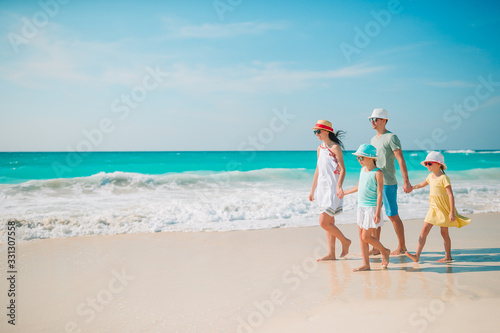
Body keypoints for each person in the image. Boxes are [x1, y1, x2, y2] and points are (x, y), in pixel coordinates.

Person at [406, 152, 471, 263]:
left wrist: (452, 212)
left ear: (439, 164)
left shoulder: (444, 178)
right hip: (433, 208)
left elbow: (450, 194)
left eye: (429, 163)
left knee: (444, 233)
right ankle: (417, 255)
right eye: (426, 164)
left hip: (443, 209)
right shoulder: (430, 176)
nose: (427, 166)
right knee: (424, 231)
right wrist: (412, 187)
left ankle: (448, 256)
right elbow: (421, 184)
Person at [369, 108, 412, 256]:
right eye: (371, 119)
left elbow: (400, 159)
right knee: (375, 214)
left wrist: (406, 181)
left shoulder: (392, 137)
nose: (372, 122)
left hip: (388, 183)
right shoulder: (373, 140)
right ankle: (375, 247)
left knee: (392, 215)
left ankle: (402, 247)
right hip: (375, 182)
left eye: (375, 119)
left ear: (384, 120)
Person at [309, 120, 351, 261]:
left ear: (327, 131)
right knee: (329, 222)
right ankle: (332, 254)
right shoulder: (319, 148)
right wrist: (312, 190)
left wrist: (339, 186)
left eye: (318, 131)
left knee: (323, 222)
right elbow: (317, 170)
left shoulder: (335, 147)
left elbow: (343, 169)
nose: (316, 134)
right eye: (315, 132)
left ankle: (345, 241)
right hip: (322, 189)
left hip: (333, 189)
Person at [344, 144, 390, 271]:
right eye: (358, 158)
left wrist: (378, 212)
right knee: (361, 235)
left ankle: (384, 251)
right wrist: (345, 192)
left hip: (371, 208)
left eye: (361, 158)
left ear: (370, 158)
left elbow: (380, 192)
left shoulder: (378, 172)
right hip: (361, 207)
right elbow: (359, 186)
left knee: (366, 236)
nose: (359, 160)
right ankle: (366, 264)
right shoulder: (362, 170)